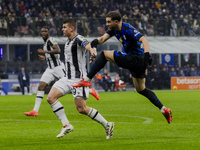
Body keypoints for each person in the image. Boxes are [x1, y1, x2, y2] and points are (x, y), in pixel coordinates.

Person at [72, 11, 173, 124]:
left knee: (105, 54)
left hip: (137, 59)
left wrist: (147, 55)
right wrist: (93, 45)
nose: (107, 24)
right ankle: (164, 109)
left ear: (116, 21)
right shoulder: (114, 30)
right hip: (136, 61)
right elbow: (101, 39)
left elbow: (144, 40)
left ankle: (87, 79)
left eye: (109, 22)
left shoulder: (128, 29)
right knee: (141, 89)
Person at [46, 18, 114, 139]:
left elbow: (88, 45)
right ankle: (66, 125)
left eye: (64, 27)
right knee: (50, 98)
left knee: (81, 109)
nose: (62, 29)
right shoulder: (67, 42)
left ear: (72, 28)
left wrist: (93, 51)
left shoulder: (79, 39)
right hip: (67, 78)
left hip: (79, 80)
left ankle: (107, 124)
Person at [24, 26, 99, 117]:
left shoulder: (51, 40)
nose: (43, 33)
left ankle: (90, 90)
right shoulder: (45, 43)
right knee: (41, 87)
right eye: (42, 31)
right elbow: (51, 56)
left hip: (58, 68)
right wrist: (45, 58)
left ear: (48, 32)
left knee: (71, 82)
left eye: (45, 31)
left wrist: (44, 52)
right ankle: (35, 110)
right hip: (50, 69)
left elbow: (58, 50)